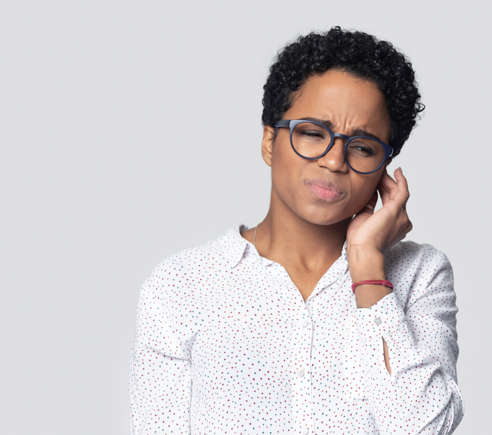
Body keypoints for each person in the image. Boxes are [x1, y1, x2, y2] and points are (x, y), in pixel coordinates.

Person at [129, 26, 464, 434]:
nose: (334, 161)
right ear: (270, 141)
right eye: (312, 133)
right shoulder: (182, 285)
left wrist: (367, 270)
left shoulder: (420, 275)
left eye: (362, 147)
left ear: (383, 168)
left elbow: (425, 429)